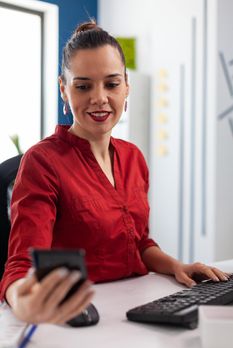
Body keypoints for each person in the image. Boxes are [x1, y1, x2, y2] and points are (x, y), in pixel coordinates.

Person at [0, 21, 229, 325]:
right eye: (83, 86)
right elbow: (19, 267)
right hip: (79, 319)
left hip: (138, 304)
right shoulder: (42, 162)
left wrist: (177, 266)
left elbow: (138, 243)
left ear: (126, 86)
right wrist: (24, 303)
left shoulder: (133, 157)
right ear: (64, 90)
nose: (99, 98)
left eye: (111, 84)